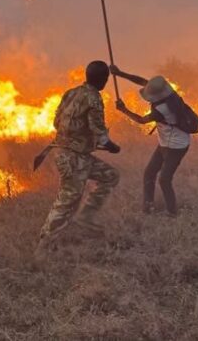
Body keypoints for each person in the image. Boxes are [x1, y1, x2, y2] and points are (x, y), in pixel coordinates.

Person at [34, 60, 120, 261]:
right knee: (67, 201)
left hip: (73, 153)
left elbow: (56, 121)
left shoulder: (71, 92)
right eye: (105, 79)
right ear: (101, 79)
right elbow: (100, 133)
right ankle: (43, 248)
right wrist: (111, 146)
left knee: (110, 176)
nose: (106, 82)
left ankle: (86, 217)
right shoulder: (94, 99)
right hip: (72, 157)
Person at [110, 64, 190, 216]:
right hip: (165, 143)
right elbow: (142, 81)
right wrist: (120, 73)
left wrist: (123, 110)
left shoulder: (163, 109)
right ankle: (148, 208)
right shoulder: (168, 92)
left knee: (164, 180)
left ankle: (173, 213)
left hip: (176, 146)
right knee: (149, 173)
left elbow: (141, 120)